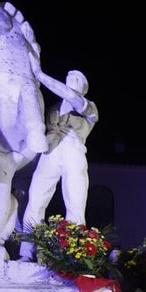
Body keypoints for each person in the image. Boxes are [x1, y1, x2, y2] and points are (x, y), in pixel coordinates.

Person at [19, 66, 98, 260]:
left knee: (75, 201)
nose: (72, 79)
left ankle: (73, 254)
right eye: (69, 76)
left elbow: (70, 96)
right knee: (36, 198)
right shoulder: (53, 108)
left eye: (78, 79)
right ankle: (27, 251)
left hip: (74, 149)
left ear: (84, 88)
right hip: (51, 151)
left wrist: (40, 74)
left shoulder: (89, 107)